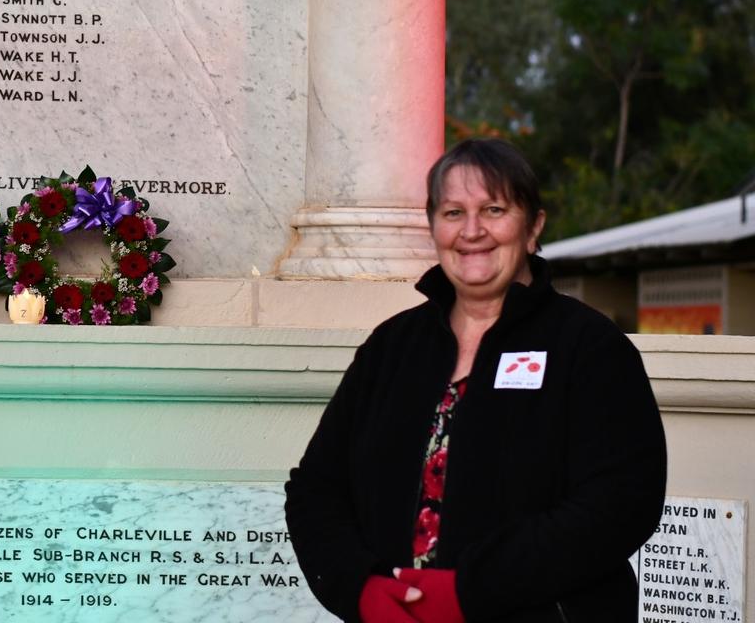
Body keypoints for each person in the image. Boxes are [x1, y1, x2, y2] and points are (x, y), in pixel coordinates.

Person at [285, 138, 666, 623]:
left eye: (493, 209)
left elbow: (621, 503)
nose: (472, 231)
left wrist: (473, 591)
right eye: (452, 212)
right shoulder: (392, 347)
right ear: (432, 227)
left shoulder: (589, 347)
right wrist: (359, 588)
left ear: (533, 228)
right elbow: (316, 489)